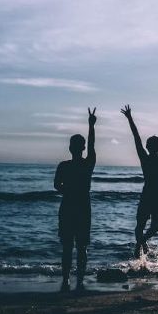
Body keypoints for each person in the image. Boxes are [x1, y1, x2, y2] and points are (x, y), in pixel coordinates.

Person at [121, 103, 158, 258]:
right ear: (150, 146)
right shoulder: (149, 158)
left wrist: (129, 118)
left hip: (156, 195)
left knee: (152, 227)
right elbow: (138, 137)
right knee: (143, 225)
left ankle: (141, 242)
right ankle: (140, 243)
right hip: (152, 194)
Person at [53, 107, 97, 292]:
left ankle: (66, 280)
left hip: (69, 207)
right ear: (83, 148)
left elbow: (57, 185)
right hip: (82, 208)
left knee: (68, 246)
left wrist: (68, 190)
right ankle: (79, 280)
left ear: (70, 148)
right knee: (81, 246)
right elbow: (93, 145)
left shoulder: (64, 166)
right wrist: (91, 125)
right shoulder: (87, 163)